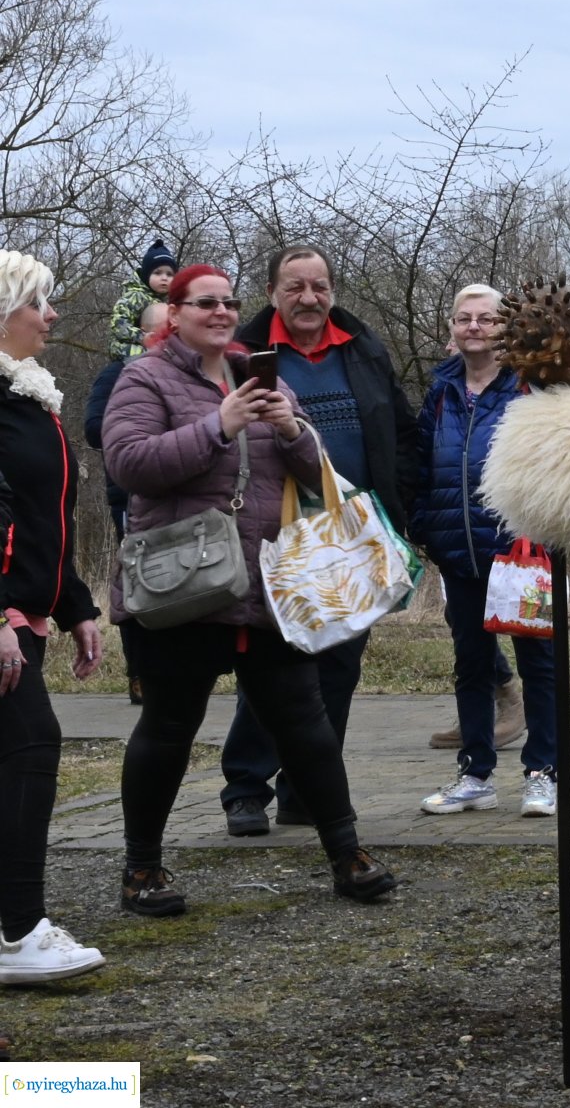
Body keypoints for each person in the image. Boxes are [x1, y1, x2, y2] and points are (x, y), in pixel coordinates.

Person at [104, 263, 398, 912]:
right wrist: (220, 424)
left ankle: (347, 854)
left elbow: (315, 474)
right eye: (204, 302)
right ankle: (142, 870)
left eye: (228, 302)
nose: (219, 312)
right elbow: (130, 465)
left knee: (305, 723)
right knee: (168, 728)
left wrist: (292, 429)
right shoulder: (144, 377)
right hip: (184, 589)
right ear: (174, 313)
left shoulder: (255, 370)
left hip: (263, 587)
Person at [218, 245, 419, 835]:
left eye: (319, 286)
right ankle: (246, 788)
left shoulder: (363, 349)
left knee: (339, 664)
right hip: (271, 532)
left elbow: (400, 433)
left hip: (353, 533)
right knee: (272, 662)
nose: (309, 298)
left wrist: (395, 502)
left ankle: (307, 788)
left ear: (332, 290)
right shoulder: (242, 353)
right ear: (273, 291)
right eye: (295, 286)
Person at [0, 250, 108, 984]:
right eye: (40, 301)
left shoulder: (33, 400)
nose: (53, 314)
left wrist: (74, 607)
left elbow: (47, 517)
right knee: (31, 752)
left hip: (25, 618)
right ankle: (18, 933)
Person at [413, 285, 559, 817]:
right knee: (472, 664)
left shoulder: (529, 387)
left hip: (519, 551)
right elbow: (423, 461)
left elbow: (553, 460)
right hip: (460, 552)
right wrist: (424, 524)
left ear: (505, 328)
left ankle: (542, 772)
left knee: (537, 662)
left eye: (485, 319)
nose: (474, 326)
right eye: (463, 318)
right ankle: (475, 775)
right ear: (451, 327)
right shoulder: (441, 392)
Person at [84, 300, 169, 706]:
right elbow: (93, 429)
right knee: (141, 584)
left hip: (185, 499)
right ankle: (141, 675)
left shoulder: (198, 372)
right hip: (130, 496)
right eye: (165, 329)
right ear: (146, 335)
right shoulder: (115, 373)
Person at [107, 240, 176, 360]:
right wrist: (141, 337)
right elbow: (118, 324)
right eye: (157, 273)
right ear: (146, 275)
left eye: (169, 274)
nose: (164, 278)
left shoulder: (166, 301)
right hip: (126, 348)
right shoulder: (135, 296)